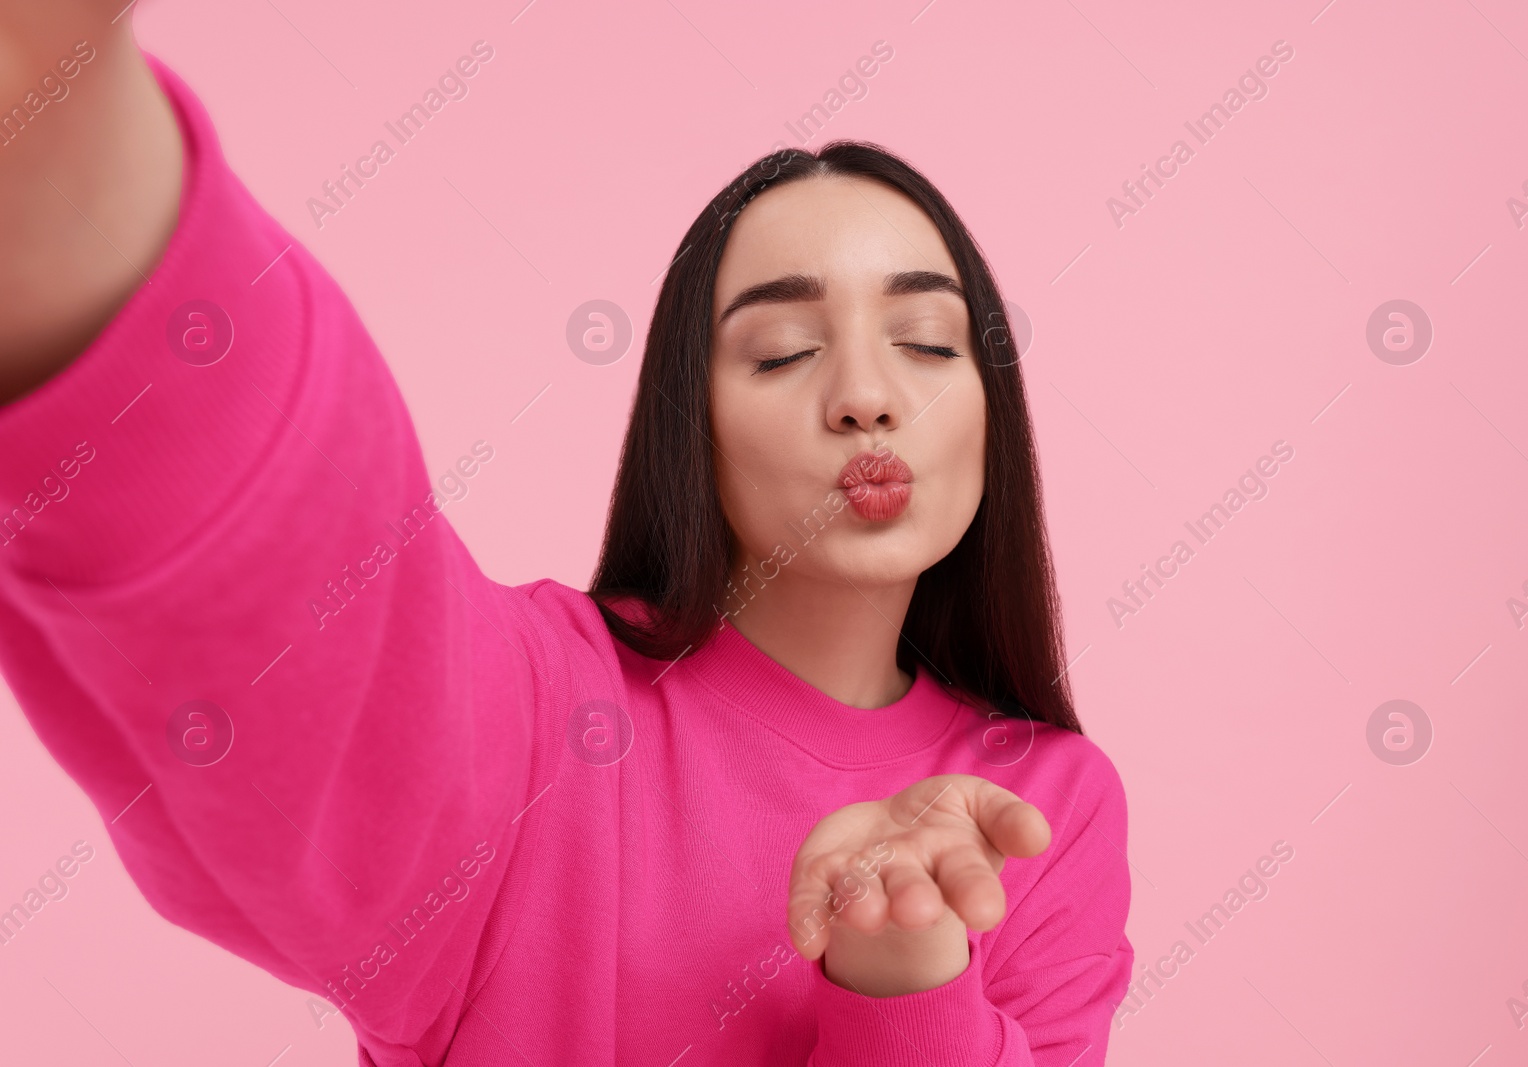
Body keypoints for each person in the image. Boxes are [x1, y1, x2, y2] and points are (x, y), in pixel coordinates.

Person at [0, 5, 1133, 1064]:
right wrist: (69, 135)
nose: (867, 396)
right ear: (687, 424)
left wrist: (906, 966)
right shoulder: (550, 706)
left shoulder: (1045, 804)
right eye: (784, 349)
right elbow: (323, 637)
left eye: (930, 342)